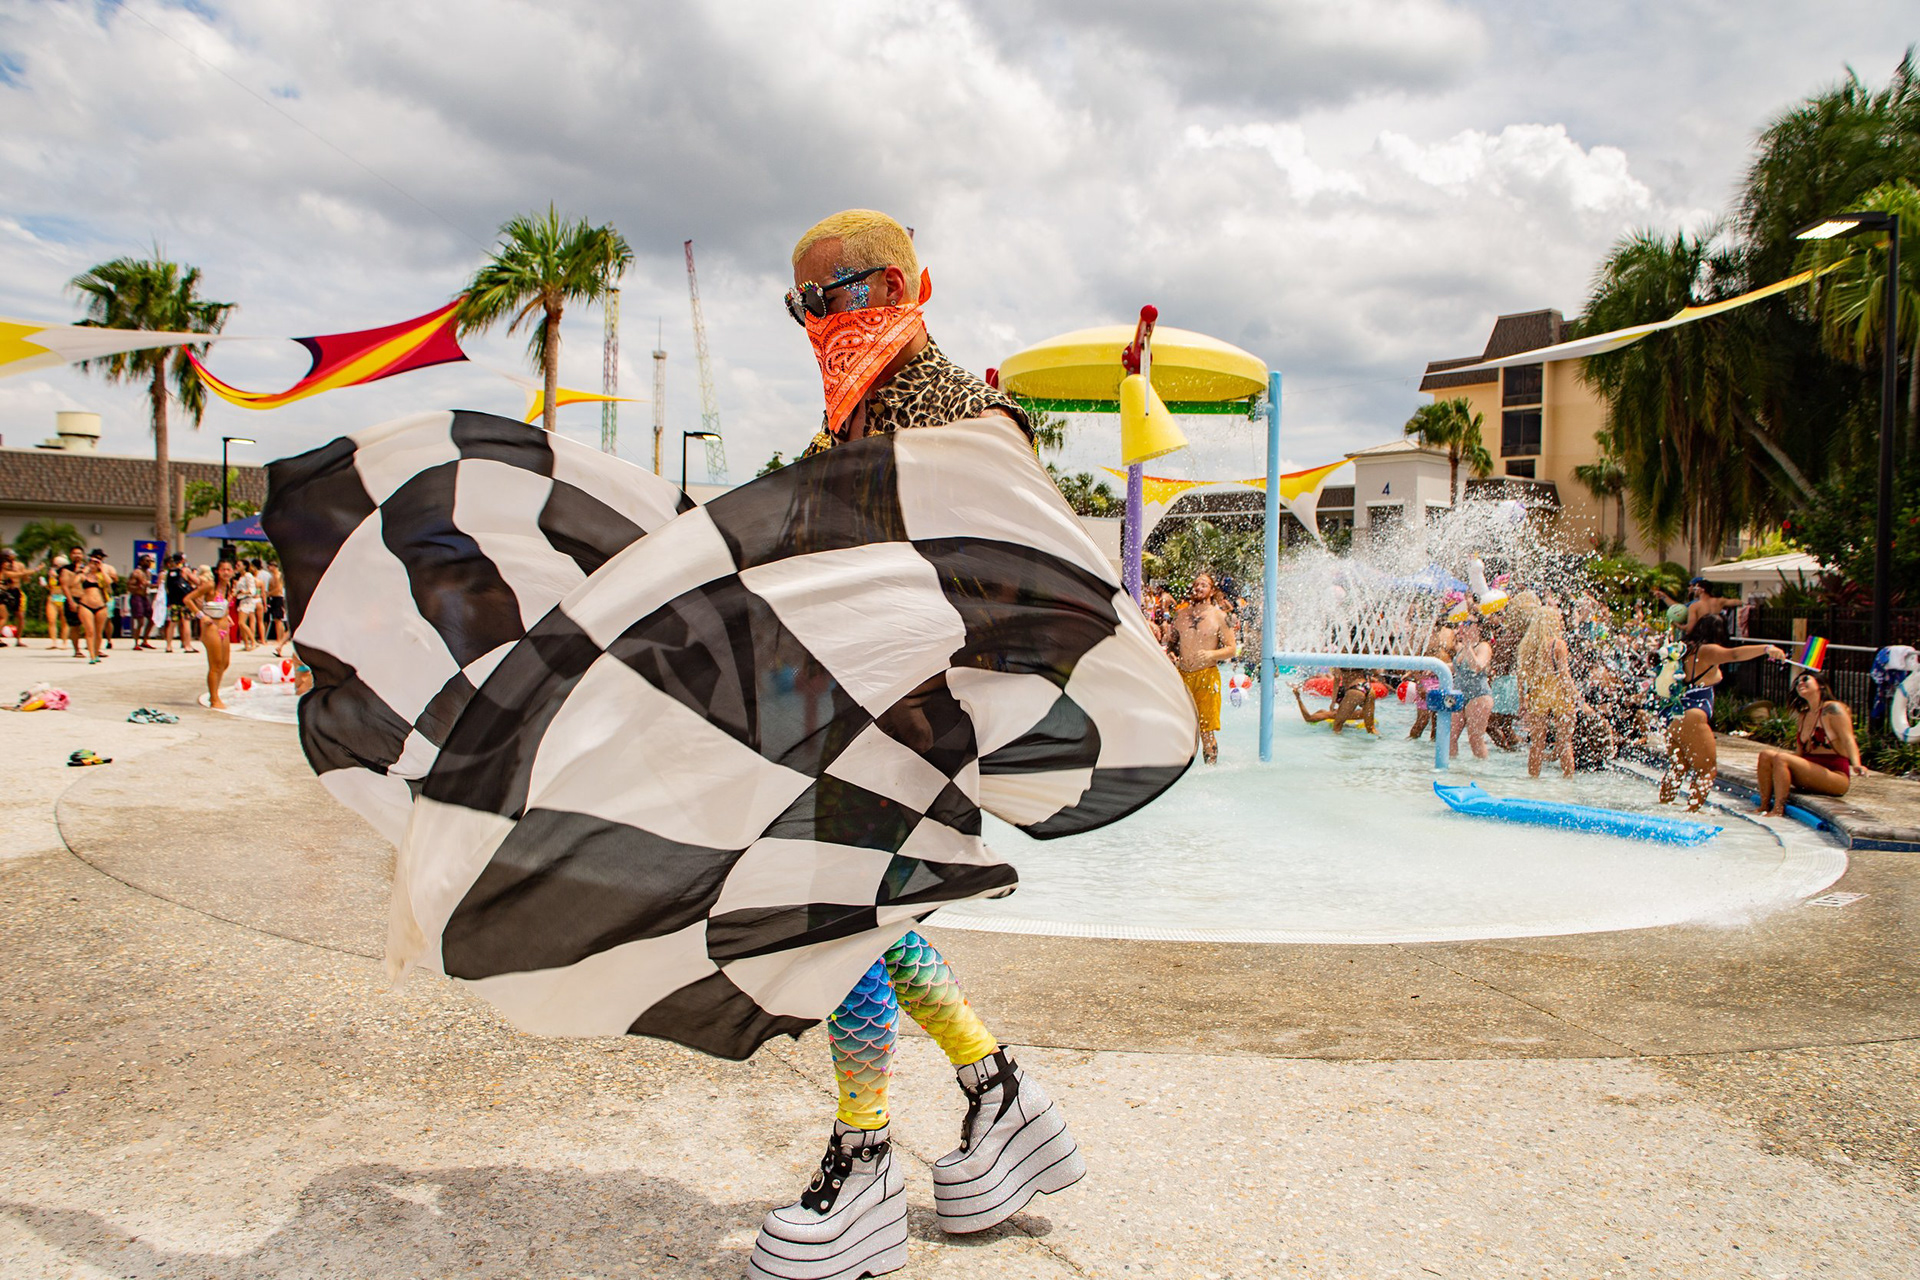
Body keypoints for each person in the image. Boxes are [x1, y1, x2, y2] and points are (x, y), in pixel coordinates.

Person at [753, 209, 1077, 1280]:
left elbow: (1014, 577)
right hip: (858, 713)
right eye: (807, 302)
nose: (822, 321)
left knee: (844, 910)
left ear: (908, 285)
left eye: (843, 295)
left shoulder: (966, 417)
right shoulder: (845, 424)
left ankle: (866, 1154)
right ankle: (997, 1091)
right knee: (863, 912)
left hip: (917, 715)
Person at [1658, 615, 1785, 811]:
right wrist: (1766, 649)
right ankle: (1691, 814)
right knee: (1707, 771)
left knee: (1678, 768)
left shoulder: (1682, 649)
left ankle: (1663, 809)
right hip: (1693, 715)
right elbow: (1734, 655)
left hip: (1674, 717)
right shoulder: (1707, 650)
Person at [1755, 672, 1865, 816]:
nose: (1800, 683)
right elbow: (1800, 755)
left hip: (1835, 777)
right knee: (1766, 755)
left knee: (1781, 758)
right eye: (1797, 682)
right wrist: (1772, 765)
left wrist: (1856, 764)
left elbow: (1848, 739)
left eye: (1805, 679)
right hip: (1810, 773)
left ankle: (1778, 809)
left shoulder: (1833, 709)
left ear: (1820, 685)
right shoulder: (1804, 715)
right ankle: (1763, 806)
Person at [1168, 571, 1238, 764]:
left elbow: (1232, 649)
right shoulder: (1181, 615)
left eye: (1203, 585)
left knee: (1206, 729)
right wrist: (1172, 655)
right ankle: (1178, 769)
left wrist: (1211, 654)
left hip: (1207, 676)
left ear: (1212, 590)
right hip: (1183, 675)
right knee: (1179, 726)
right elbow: (1172, 643)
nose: (1198, 588)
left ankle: (1210, 768)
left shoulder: (1220, 617)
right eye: (1196, 584)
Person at [1517, 606, 1582, 778]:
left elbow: (1521, 677)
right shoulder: (1557, 645)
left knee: (1536, 744)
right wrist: (1578, 698)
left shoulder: (1527, 646)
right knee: (1565, 743)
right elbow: (1564, 675)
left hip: (1538, 696)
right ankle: (1568, 783)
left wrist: (1522, 701)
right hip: (1558, 694)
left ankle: (1533, 782)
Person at [183, 561, 236, 709]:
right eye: (223, 569)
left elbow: (223, 605)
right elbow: (188, 599)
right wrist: (201, 616)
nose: (226, 572)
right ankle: (214, 698)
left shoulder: (231, 587)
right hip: (211, 628)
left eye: (229, 569)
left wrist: (227, 616)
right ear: (217, 571)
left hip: (224, 627)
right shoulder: (210, 586)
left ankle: (215, 692)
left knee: (225, 663)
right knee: (215, 664)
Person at [1449, 616, 1495, 760]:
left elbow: (1477, 666)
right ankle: (1451, 771)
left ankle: (1481, 772)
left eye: (1468, 623)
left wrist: (1468, 646)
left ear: (1479, 627)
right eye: (1463, 623)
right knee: (1449, 737)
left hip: (1478, 695)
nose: (1464, 626)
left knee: (1475, 739)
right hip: (1460, 695)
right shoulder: (1463, 648)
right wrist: (1435, 668)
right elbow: (1457, 668)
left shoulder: (1483, 647)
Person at [1407, 617, 1455, 741]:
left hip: (1443, 679)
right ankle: (1409, 745)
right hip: (1426, 679)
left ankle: (1432, 752)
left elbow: (1456, 657)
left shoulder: (1450, 633)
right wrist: (1419, 682)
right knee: (1422, 720)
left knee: (1438, 722)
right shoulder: (1424, 633)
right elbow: (1415, 659)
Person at [68, 547, 114, 664]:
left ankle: (97, 651)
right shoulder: (84, 575)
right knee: (90, 631)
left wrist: (101, 569)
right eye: (92, 562)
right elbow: (73, 583)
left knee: (99, 632)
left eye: (97, 562)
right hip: (85, 604)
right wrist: (84, 570)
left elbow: (109, 582)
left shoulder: (101, 576)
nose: (94, 564)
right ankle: (92, 656)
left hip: (101, 605)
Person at [1295, 669, 1376, 734]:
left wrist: (1298, 697)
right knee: (1371, 729)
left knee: (1337, 726)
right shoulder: (1360, 713)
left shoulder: (1332, 714)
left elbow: (1308, 718)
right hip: (1368, 687)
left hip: (1355, 690)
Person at [1655, 578, 1739, 636]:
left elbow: (1689, 628)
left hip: (1701, 637)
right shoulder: (1720, 601)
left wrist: (1677, 625)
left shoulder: (1695, 606)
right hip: (1717, 637)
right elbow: (1737, 602)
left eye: (1695, 588)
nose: (1693, 590)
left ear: (1701, 590)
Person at [163, 554, 198, 655]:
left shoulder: (170, 571)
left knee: (172, 623)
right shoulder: (185, 570)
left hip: (174, 600)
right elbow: (197, 581)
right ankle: (187, 645)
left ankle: (169, 645)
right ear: (182, 560)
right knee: (186, 622)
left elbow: (167, 587)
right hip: (184, 600)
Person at [127, 555, 155, 650]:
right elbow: (129, 586)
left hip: (144, 597)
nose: (148, 563)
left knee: (152, 618)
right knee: (140, 621)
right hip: (136, 597)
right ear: (141, 562)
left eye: (150, 561)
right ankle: (136, 642)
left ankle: (145, 640)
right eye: (146, 561)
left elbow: (148, 585)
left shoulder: (148, 573)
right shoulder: (136, 573)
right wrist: (138, 587)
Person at [265, 558, 290, 655]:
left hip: (278, 598)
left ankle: (280, 641)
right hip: (275, 598)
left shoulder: (277, 576)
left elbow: (278, 589)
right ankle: (280, 643)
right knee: (277, 620)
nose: (268, 568)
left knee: (278, 620)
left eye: (270, 566)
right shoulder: (273, 576)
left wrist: (268, 594)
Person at [43, 555, 68, 651]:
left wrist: (57, 576)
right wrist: (45, 584)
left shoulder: (66, 573)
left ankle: (64, 641)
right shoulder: (51, 573)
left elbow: (67, 585)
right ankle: (53, 641)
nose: (55, 566)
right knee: (51, 620)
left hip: (63, 597)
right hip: (53, 597)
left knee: (64, 621)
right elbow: (50, 586)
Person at [0, 549, 23, 646]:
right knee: (3, 617)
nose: (7, 564)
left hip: (7, 593)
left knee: (5, 617)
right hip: (1, 594)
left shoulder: (5, 572)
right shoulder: (4, 572)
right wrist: (37, 569)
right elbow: (19, 574)